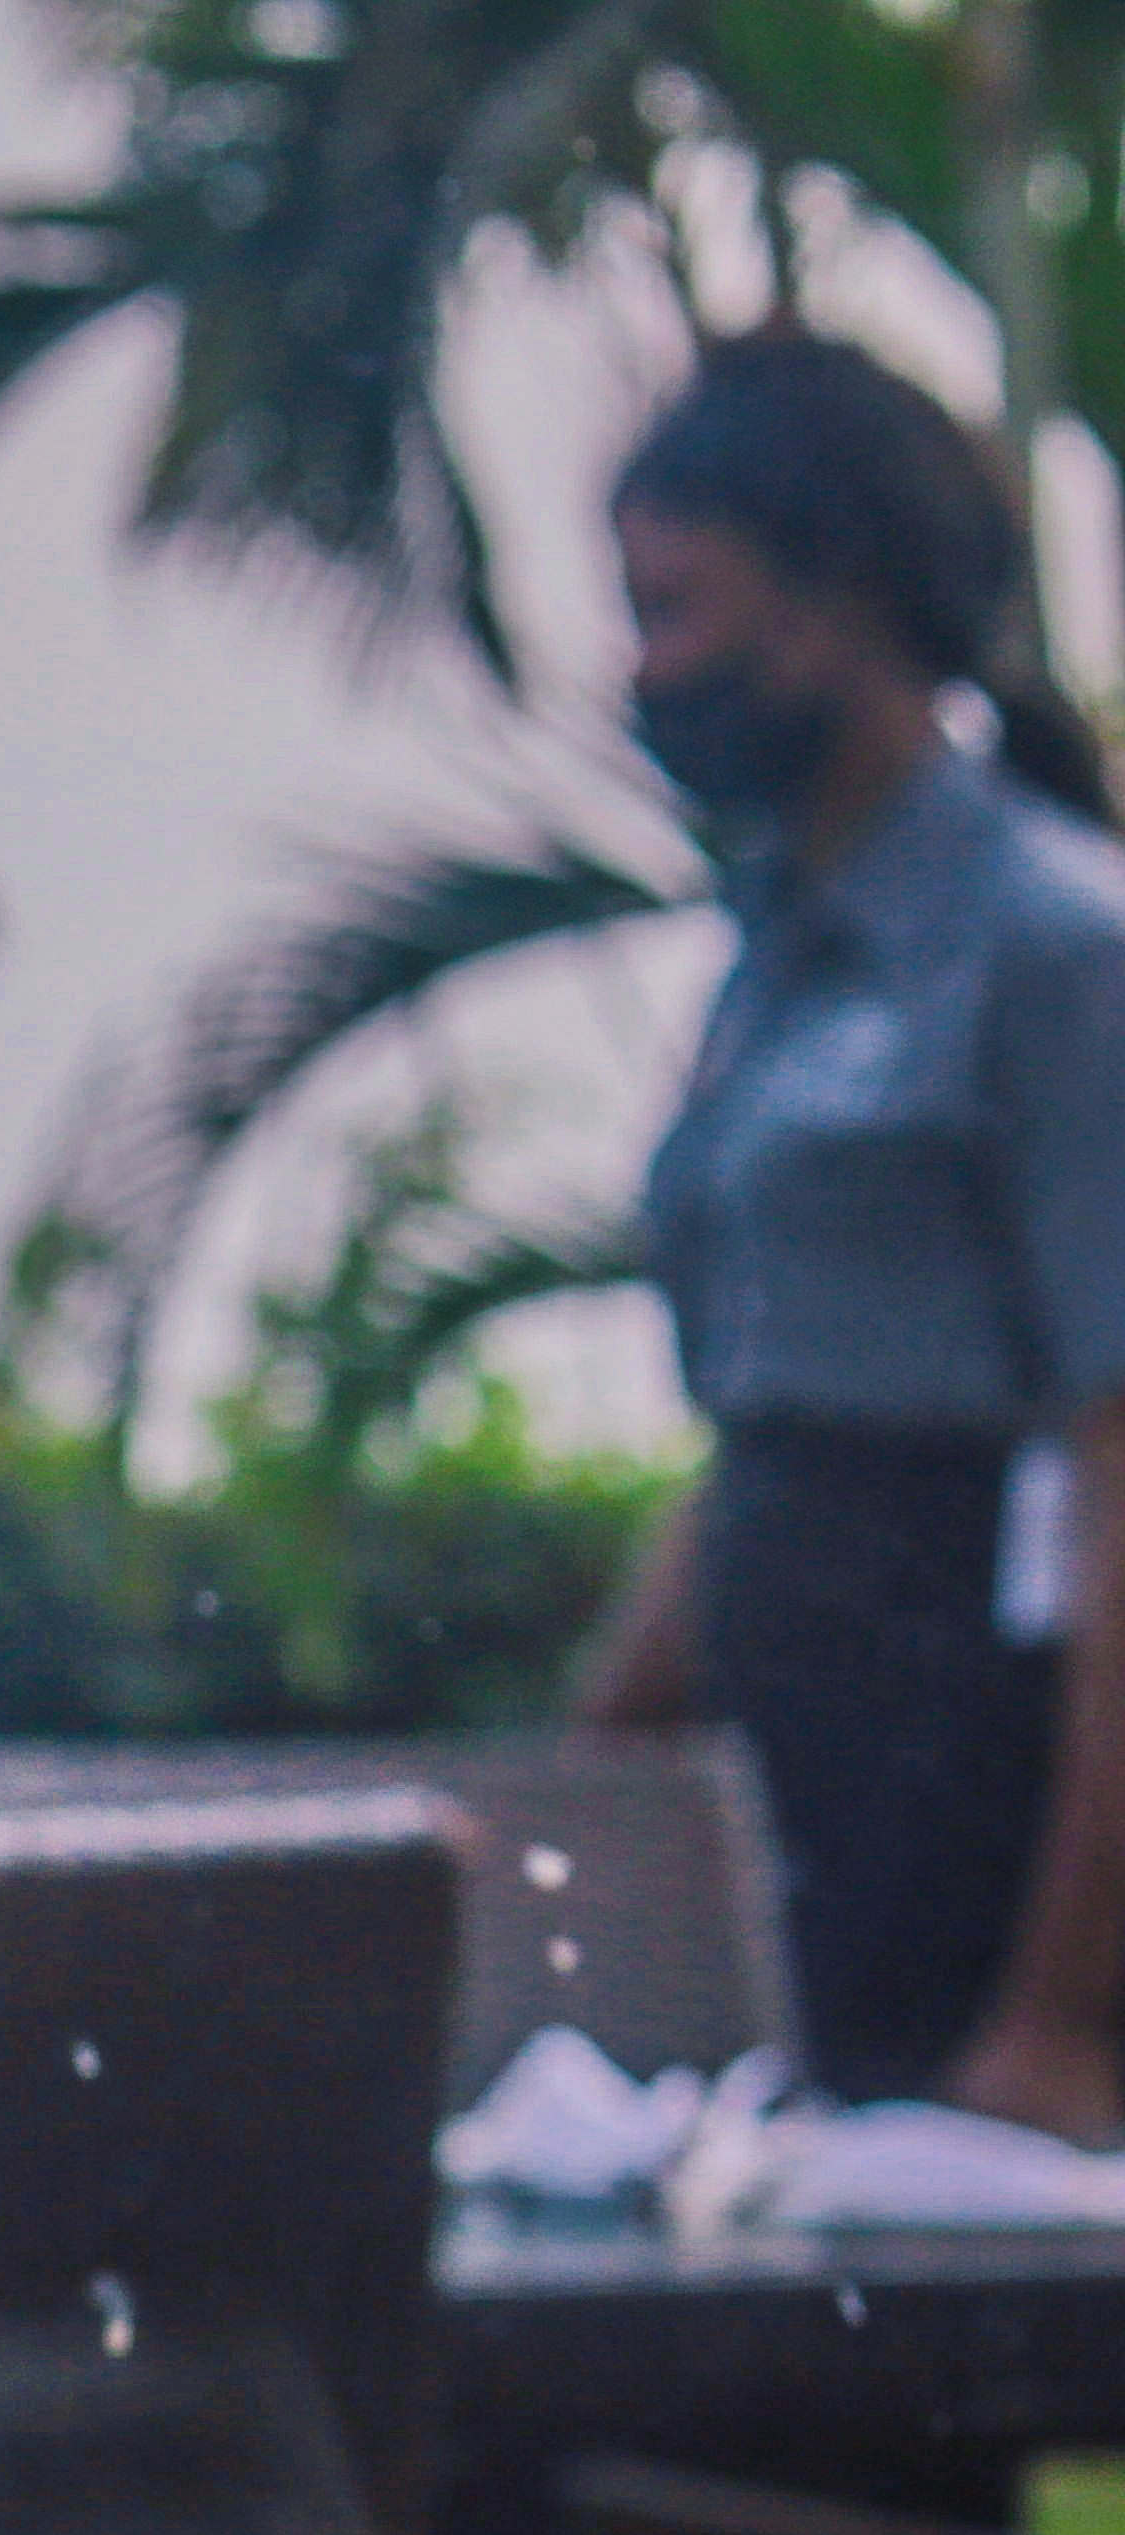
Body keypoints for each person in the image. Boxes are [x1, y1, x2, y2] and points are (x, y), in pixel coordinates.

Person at [573, 331, 1125, 2143]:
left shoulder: (1052, 951)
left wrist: (1053, 2011)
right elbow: (764, 1435)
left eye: (680, 608)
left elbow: (1117, 1479)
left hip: (974, 1777)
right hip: (794, 1792)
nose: (647, 669)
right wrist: (584, 1785)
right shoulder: (772, 953)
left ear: (840, 598)